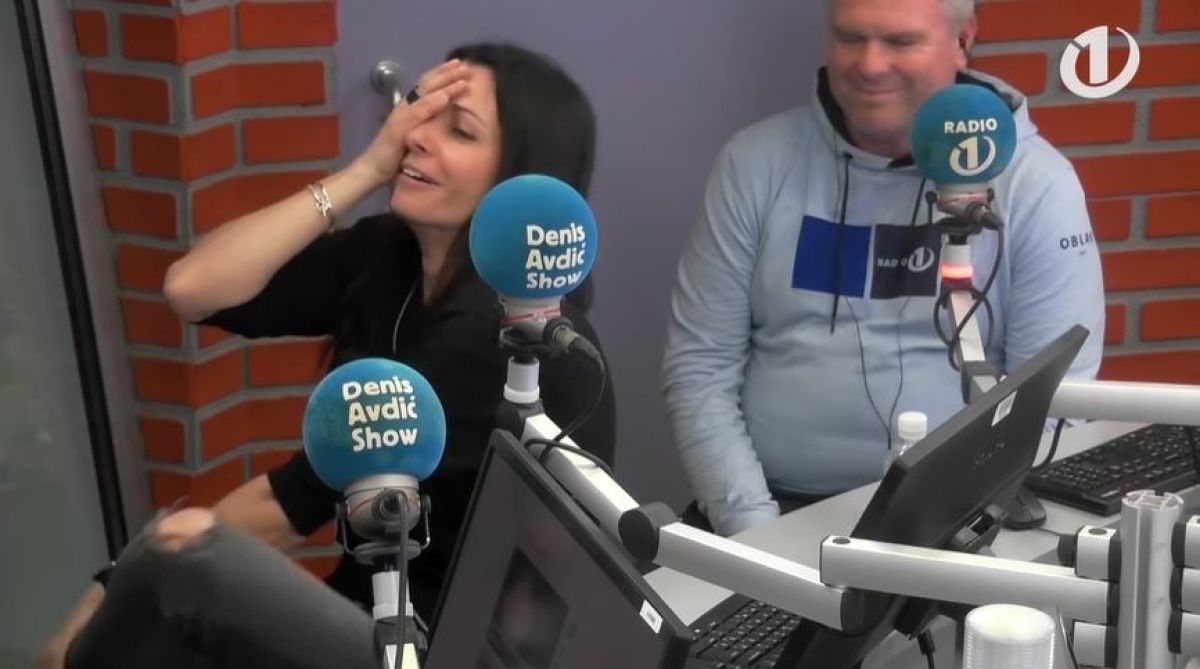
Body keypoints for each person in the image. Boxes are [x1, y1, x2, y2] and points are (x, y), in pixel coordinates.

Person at [38, 42, 614, 669]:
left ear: (519, 182)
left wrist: (115, 584)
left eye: (459, 130)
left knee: (184, 552)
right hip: (376, 611)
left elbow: (283, 510)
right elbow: (193, 289)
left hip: (452, 649)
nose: (415, 135)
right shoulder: (391, 258)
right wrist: (363, 171)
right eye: (419, 108)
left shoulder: (497, 338)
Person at [662, 0, 1105, 537]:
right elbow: (701, 368)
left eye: (900, 42)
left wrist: (956, 528)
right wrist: (755, 534)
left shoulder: (1037, 184)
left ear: (962, 40)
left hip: (960, 520)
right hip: (771, 512)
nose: (870, 65)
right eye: (851, 38)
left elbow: (1054, 400)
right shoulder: (754, 162)